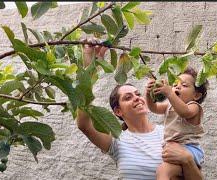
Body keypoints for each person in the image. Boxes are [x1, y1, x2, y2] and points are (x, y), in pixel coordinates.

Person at [76, 38, 204, 180]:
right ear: (118, 111)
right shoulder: (117, 141)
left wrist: (187, 160)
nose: (137, 98)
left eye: (138, 94)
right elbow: (84, 125)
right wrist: (89, 68)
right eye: (127, 97)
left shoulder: (170, 134)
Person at [145, 67, 209, 180]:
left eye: (184, 85)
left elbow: (184, 112)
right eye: (175, 84)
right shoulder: (169, 106)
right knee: (168, 173)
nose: (177, 87)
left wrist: (170, 93)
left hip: (190, 149)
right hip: (172, 149)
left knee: (163, 171)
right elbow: (153, 108)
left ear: (196, 95)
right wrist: (148, 93)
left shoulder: (194, 106)